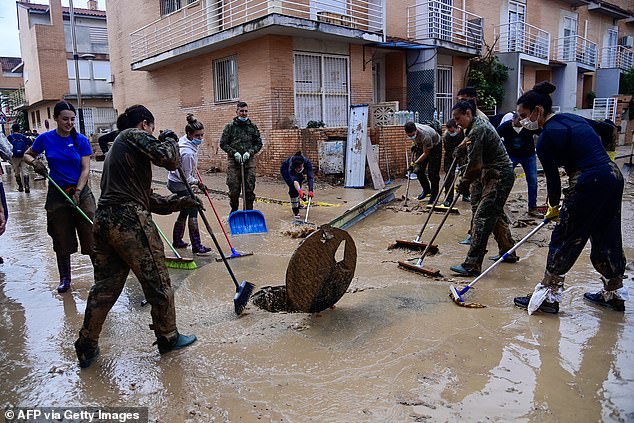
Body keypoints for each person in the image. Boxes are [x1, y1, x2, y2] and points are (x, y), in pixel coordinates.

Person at [74, 105, 199, 369]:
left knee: (105, 288)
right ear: (145, 124)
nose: (152, 133)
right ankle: (168, 337)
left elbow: (149, 199)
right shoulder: (132, 134)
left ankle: (87, 344)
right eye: (151, 129)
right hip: (128, 220)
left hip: (105, 221)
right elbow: (170, 158)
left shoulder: (120, 152)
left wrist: (181, 201)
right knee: (158, 281)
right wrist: (169, 138)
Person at [513, 82, 627, 314]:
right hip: (612, 175)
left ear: (538, 110)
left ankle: (548, 298)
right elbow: (607, 129)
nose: (523, 121)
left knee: (566, 237)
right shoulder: (572, 118)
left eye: (524, 115)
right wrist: (606, 154)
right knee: (607, 234)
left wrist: (553, 208)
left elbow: (553, 182)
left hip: (588, 180)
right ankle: (613, 294)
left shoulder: (545, 138)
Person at [22, 101, 96, 293]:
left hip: (81, 190)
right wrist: (35, 164)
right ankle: (65, 279)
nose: (69, 123)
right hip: (57, 192)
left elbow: (86, 169)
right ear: (55, 118)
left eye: (72, 119)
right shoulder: (45, 139)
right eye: (65, 119)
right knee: (60, 235)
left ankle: (101, 277)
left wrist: (79, 192)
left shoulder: (81, 140)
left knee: (91, 232)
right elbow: (27, 155)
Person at [449, 100, 517, 276]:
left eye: (458, 118)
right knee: (495, 214)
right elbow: (469, 140)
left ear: (468, 114)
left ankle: (472, 264)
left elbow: (475, 165)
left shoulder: (478, 128)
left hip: (499, 175)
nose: (456, 122)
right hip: (492, 174)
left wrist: (464, 183)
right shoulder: (473, 127)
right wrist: (461, 147)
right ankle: (508, 251)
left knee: (482, 217)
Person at [166, 114, 211, 256]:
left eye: (202, 135)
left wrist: (192, 172)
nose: (200, 139)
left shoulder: (185, 142)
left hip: (175, 180)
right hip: (178, 183)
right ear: (189, 134)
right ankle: (197, 246)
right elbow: (185, 177)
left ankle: (177, 240)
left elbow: (187, 171)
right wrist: (198, 183)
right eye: (197, 136)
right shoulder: (187, 153)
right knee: (193, 208)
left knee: (184, 209)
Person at [496, 112, 542, 217]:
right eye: (517, 120)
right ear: (513, 119)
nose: (519, 123)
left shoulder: (529, 126)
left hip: (529, 156)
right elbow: (494, 137)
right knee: (504, 179)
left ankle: (532, 208)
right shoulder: (506, 126)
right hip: (511, 156)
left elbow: (543, 133)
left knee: (533, 181)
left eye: (522, 121)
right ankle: (499, 207)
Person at [220, 101, 262, 212]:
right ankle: (234, 211)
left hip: (249, 163)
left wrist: (250, 152)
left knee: (249, 189)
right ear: (237, 111)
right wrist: (234, 153)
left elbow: (258, 143)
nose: (244, 113)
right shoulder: (230, 127)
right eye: (241, 111)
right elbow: (223, 143)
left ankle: (248, 212)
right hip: (234, 164)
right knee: (234, 190)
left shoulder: (252, 127)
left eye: (246, 111)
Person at [404, 121, 442, 203]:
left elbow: (426, 153)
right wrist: (414, 145)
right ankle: (426, 190)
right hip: (422, 146)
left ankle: (434, 196)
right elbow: (416, 141)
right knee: (418, 171)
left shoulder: (425, 135)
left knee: (433, 173)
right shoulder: (413, 128)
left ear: (416, 131)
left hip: (435, 146)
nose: (411, 137)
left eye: (412, 135)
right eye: (409, 136)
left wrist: (414, 163)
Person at [280, 151, 314, 219]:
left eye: (299, 167)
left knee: (300, 182)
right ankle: (296, 211)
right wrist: (300, 191)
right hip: (285, 170)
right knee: (293, 188)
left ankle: (298, 204)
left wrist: (311, 190)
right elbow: (295, 180)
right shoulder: (291, 166)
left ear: (302, 164)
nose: (297, 169)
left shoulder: (307, 163)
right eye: (296, 168)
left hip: (298, 170)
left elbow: (310, 177)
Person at [440, 119, 466, 207]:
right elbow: (447, 149)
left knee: (465, 173)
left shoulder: (464, 132)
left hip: (463, 154)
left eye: (452, 131)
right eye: (449, 131)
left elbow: (468, 144)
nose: (451, 132)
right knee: (449, 176)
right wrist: (454, 154)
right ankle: (448, 198)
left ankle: (466, 194)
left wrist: (461, 153)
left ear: (457, 128)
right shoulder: (446, 136)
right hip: (450, 155)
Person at [7, 123, 32, 193]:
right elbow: (30, 143)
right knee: (25, 171)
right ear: (19, 129)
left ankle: (20, 187)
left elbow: (6, 147)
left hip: (14, 157)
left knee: (17, 172)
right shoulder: (23, 137)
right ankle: (27, 186)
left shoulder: (9, 137)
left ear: (12, 129)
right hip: (23, 155)